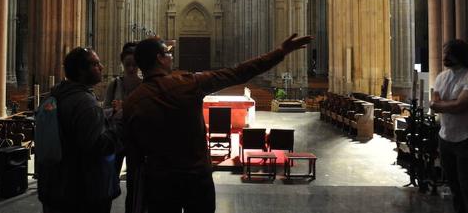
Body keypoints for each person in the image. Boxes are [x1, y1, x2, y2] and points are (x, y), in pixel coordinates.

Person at [123, 33, 312, 213]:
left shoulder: (133, 102)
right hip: (196, 178)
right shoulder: (187, 84)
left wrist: (133, 201)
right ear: (160, 58)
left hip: (160, 183)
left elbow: (133, 157)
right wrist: (280, 52)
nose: (171, 57)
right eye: (168, 53)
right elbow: (238, 73)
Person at [37, 47, 123, 213]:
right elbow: (99, 147)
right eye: (96, 64)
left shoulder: (56, 96)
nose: (102, 67)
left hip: (55, 185)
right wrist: (119, 123)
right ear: (82, 70)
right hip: (82, 191)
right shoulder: (85, 103)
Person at [430, 39, 468, 213]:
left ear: (461, 55)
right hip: (445, 138)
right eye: (445, 53)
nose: (445, 57)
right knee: (454, 186)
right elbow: (435, 103)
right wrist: (450, 104)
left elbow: (461, 105)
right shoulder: (442, 77)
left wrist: (445, 105)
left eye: (450, 53)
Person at [103, 42, 141, 175]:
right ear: (122, 63)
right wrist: (114, 110)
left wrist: (122, 108)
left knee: (135, 179)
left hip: (136, 139)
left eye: (135, 65)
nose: (131, 68)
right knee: (112, 177)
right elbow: (105, 111)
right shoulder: (114, 85)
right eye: (127, 64)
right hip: (116, 136)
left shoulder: (143, 86)